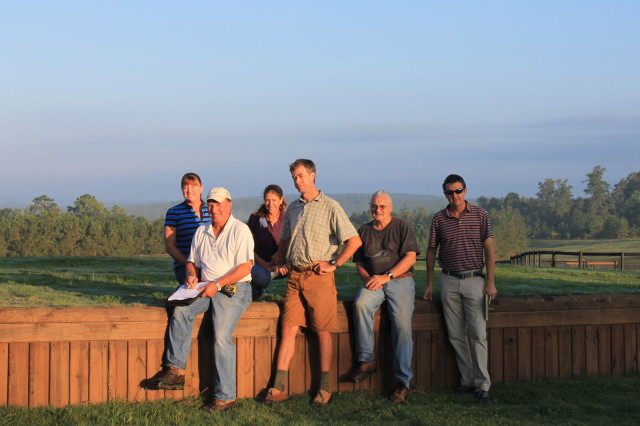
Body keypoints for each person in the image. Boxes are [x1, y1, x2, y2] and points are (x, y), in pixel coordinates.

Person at [264, 159, 362, 406]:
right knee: (288, 329)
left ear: (313, 175)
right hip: (295, 276)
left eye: (301, 176)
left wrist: (334, 264)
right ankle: (277, 388)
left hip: (319, 276)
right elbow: (285, 240)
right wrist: (280, 260)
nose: (297, 181)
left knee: (322, 331)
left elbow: (354, 240)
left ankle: (324, 389)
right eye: (294, 177)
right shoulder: (294, 208)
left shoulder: (330, 206)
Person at [154, 187, 254, 412]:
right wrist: (191, 275)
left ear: (229, 204)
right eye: (210, 204)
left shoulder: (241, 230)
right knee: (180, 310)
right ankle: (175, 372)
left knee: (220, 336)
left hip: (233, 287)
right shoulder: (202, 231)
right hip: (205, 286)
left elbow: (245, 267)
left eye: (219, 204)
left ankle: (225, 397)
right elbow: (192, 261)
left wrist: (217, 284)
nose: (214, 208)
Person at [422, 174, 497, 404]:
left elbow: (489, 249)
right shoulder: (438, 219)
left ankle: (483, 384)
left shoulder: (480, 215)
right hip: (448, 280)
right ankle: (467, 381)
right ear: (444, 193)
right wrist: (430, 283)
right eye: (449, 192)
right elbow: (431, 251)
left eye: (458, 191)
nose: (454, 196)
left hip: (474, 279)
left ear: (465, 191)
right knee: (456, 335)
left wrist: (491, 282)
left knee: (478, 335)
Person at [349, 190, 419, 403]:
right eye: (374, 206)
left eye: (382, 206)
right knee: (360, 304)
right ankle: (366, 360)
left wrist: (386, 276)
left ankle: (402, 382)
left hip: (400, 279)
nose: (377, 210)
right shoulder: (364, 230)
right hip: (374, 281)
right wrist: (367, 279)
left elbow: (411, 257)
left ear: (390, 207)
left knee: (402, 327)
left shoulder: (402, 226)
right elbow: (359, 262)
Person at [164, 173, 210, 286]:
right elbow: (170, 247)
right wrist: (190, 266)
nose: (189, 190)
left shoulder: (211, 209)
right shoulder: (174, 212)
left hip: (211, 266)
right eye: (185, 187)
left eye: (193, 186)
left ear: (201, 188)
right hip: (185, 267)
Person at [247, 184, 287, 299]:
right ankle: (256, 293)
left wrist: (285, 261)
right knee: (261, 278)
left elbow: (294, 244)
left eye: (274, 200)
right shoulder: (255, 218)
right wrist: (264, 264)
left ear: (281, 200)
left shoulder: (288, 217)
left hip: (284, 263)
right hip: (260, 263)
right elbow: (247, 247)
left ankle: (294, 298)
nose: (270, 204)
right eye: (267, 200)